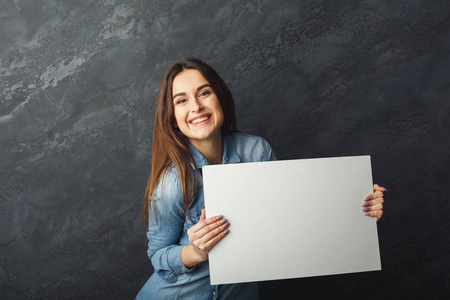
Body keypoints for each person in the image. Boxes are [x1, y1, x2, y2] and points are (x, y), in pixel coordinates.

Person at [136, 58, 386, 299]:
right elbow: (157, 255)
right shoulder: (171, 182)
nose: (196, 107)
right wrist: (197, 252)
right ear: (172, 118)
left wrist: (357, 205)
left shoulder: (257, 152)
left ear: (219, 97)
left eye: (203, 93)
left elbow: (289, 220)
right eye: (181, 100)